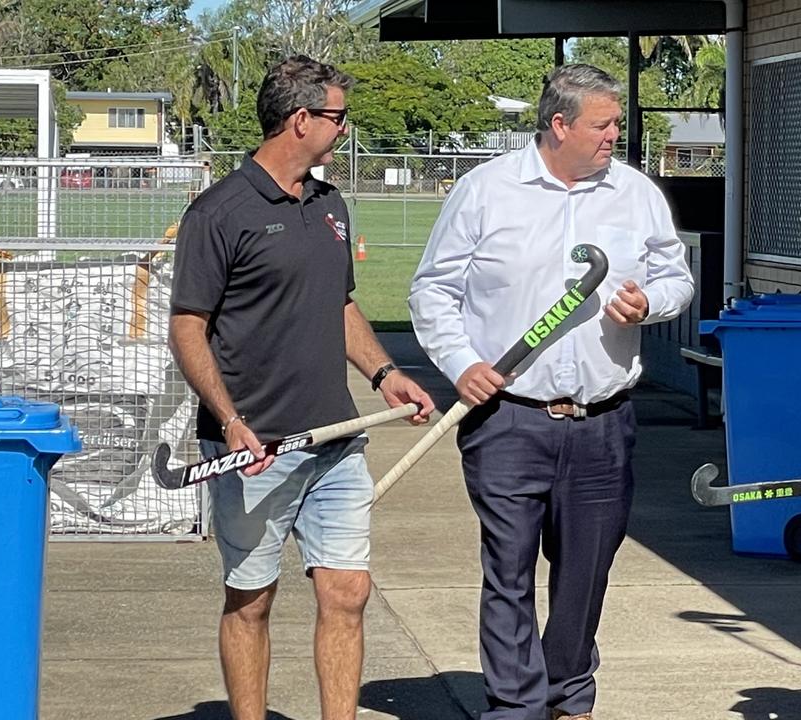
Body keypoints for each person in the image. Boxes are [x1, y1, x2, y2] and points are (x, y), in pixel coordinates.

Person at [409, 63, 694, 720]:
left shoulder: (635, 193)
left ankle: (568, 699)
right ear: (559, 124)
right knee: (507, 572)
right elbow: (432, 291)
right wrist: (461, 362)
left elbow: (676, 279)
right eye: (603, 123)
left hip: (603, 424)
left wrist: (649, 302)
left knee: (583, 577)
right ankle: (514, 707)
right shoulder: (486, 192)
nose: (614, 135)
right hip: (508, 420)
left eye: (616, 122)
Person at [168, 55, 433, 720]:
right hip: (253, 446)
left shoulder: (330, 205)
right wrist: (229, 419)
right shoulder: (218, 212)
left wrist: (386, 373)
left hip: (335, 440)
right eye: (337, 117)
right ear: (299, 120)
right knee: (250, 600)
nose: (345, 129)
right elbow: (188, 329)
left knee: (348, 593)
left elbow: (340, 307)